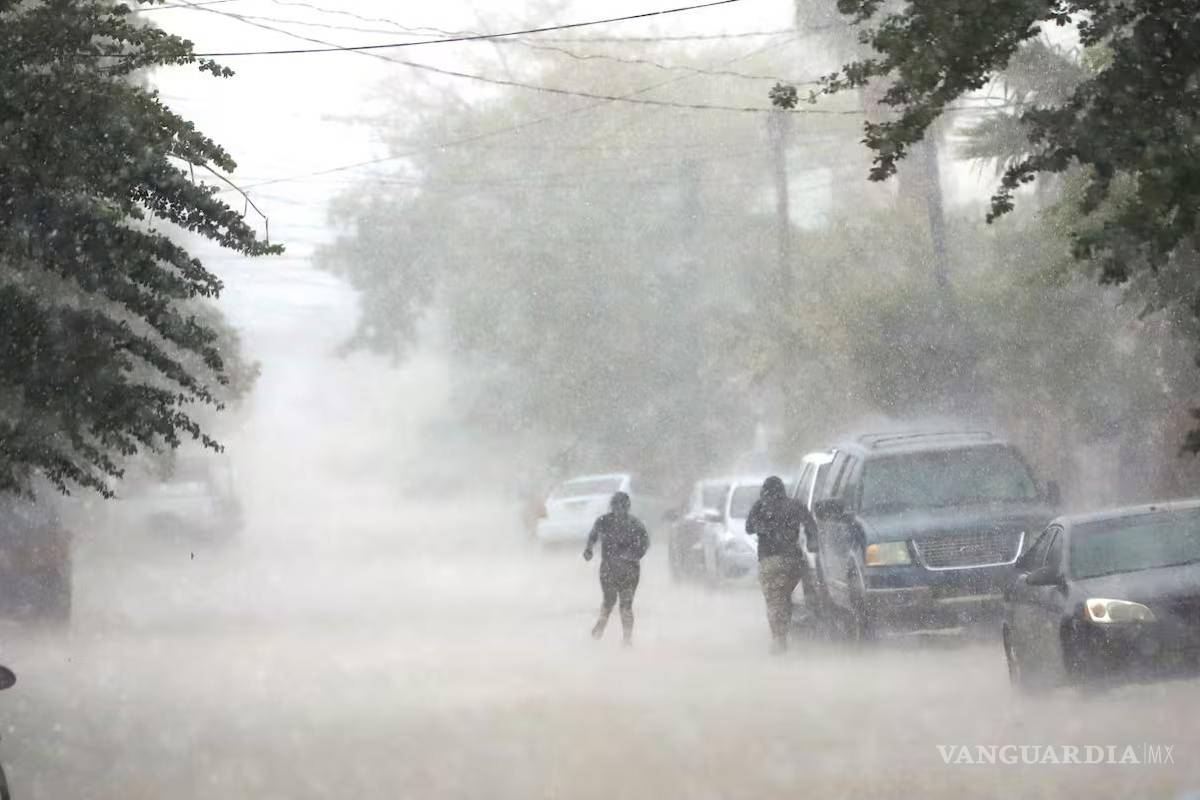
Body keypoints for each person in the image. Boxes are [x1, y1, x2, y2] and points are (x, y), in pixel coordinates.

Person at [746, 476, 816, 654]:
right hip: (793, 562)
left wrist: (765, 528)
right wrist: (812, 543)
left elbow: (749, 528)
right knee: (783, 597)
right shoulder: (795, 505)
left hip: (769, 561)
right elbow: (810, 525)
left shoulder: (760, 506)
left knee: (775, 600)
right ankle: (787, 632)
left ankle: (779, 639)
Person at [583, 491, 650, 646]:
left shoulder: (604, 521)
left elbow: (593, 536)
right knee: (625, 605)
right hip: (627, 568)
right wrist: (634, 556)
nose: (619, 509)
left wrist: (589, 549)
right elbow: (645, 543)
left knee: (610, 601)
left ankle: (604, 623)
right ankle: (626, 638)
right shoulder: (634, 523)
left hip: (612, 568)